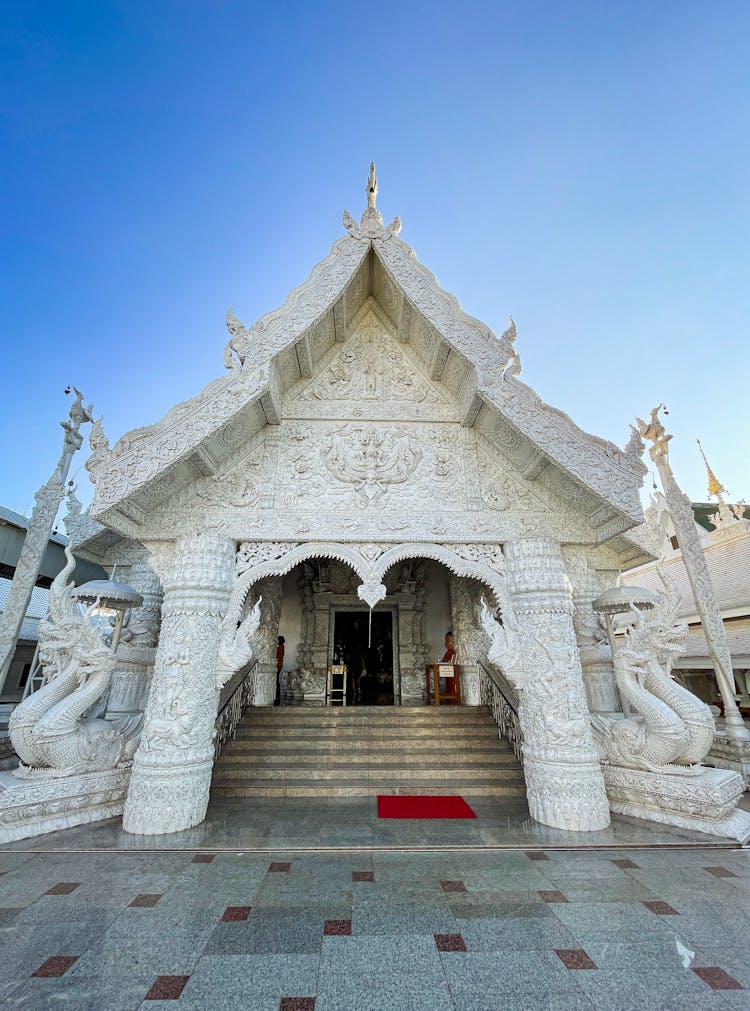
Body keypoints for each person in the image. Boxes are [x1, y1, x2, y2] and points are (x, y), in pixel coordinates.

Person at [274, 635, 285, 706]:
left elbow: (277, 655)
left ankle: (277, 693)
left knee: (277, 679)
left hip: (278, 665)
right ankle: (277, 693)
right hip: (279, 665)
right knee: (277, 679)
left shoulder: (280, 647)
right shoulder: (281, 647)